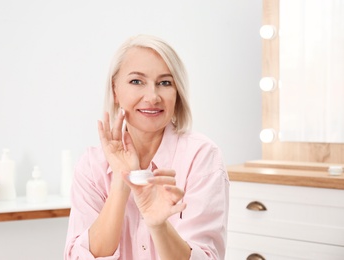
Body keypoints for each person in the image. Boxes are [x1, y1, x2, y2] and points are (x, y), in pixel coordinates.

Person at [64, 34, 229, 260]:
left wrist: (158, 225)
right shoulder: (92, 166)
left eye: (165, 83)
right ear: (115, 91)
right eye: (136, 81)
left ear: (177, 93)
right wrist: (121, 183)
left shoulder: (201, 157)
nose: (152, 97)